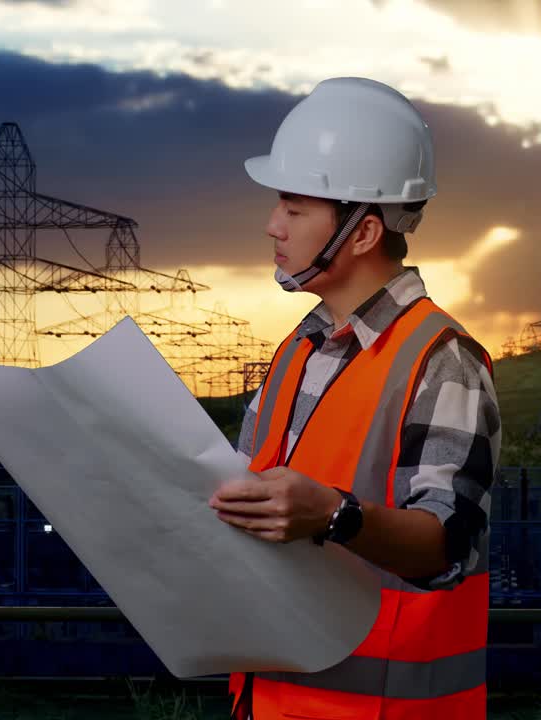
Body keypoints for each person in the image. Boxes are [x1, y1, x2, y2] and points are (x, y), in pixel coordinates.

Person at [208, 77, 502, 720]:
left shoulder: (443, 360)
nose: (271, 225)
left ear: (363, 233)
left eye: (294, 206)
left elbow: (446, 543)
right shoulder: (297, 352)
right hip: (268, 705)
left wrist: (333, 515)